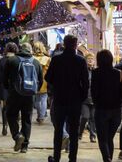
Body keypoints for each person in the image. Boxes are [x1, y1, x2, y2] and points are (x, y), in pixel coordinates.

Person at [45, 34, 89, 162]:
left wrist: (56, 87)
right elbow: (86, 83)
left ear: (64, 44)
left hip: (59, 99)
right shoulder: (80, 61)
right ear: (75, 45)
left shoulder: (56, 60)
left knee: (58, 130)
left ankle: (57, 157)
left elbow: (48, 78)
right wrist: (81, 97)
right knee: (74, 132)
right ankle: (72, 158)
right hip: (75, 101)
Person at [3, 42, 42, 153]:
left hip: (14, 94)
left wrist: (8, 88)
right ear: (30, 50)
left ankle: (17, 135)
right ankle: (25, 146)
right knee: (27, 119)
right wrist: (34, 90)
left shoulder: (11, 60)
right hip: (29, 95)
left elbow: (4, 78)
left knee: (11, 115)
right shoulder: (36, 62)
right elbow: (40, 80)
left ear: (20, 49)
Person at [92, 50, 122, 162]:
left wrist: (96, 102)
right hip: (116, 111)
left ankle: (107, 160)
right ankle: (109, 159)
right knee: (109, 138)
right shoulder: (119, 73)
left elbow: (93, 92)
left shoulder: (96, 73)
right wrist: (121, 100)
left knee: (103, 139)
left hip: (101, 110)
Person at [0, 42, 18, 136]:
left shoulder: (2, 60)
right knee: (15, 107)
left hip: (4, 88)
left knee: (4, 108)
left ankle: (4, 125)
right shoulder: (18, 59)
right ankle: (14, 126)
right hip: (16, 88)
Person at [79, 54, 97, 143]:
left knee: (93, 118)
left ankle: (93, 135)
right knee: (85, 116)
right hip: (84, 99)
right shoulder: (82, 71)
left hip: (94, 99)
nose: (90, 61)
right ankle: (80, 132)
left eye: (92, 59)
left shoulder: (96, 71)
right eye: (88, 59)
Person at [33, 41, 51, 124]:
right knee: (43, 99)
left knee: (37, 99)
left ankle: (39, 115)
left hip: (34, 80)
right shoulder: (47, 59)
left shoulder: (32, 58)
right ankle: (41, 117)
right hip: (44, 80)